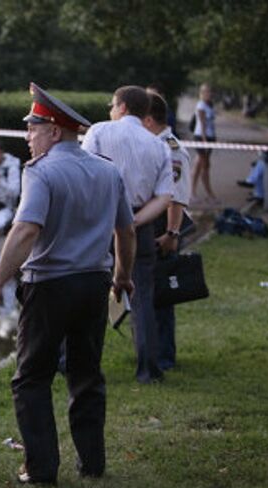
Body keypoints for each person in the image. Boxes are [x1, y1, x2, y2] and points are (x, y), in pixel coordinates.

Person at [0, 83, 136, 484]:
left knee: (32, 377)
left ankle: (41, 468)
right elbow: (127, 231)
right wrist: (122, 276)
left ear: (53, 130)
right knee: (87, 375)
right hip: (93, 285)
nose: (28, 138)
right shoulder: (107, 170)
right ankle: (93, 463)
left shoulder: (42, 171)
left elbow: (25, 230)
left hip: (49, 286)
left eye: (32, 129)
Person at [81, 85, 173, 384]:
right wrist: (132, 220)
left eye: (112, 104)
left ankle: (80, 363)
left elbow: (84, 172)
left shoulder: (98, 131)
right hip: (140, 224)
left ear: (121, 107)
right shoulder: (159, 145)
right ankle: (148, 369)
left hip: (99, 221)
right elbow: (164, 196)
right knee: (143, 296)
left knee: (89, 293)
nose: (110, 109)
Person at [143, 91, 191, 371]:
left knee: (161, 295)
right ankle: (151, 349)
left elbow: (176, 197)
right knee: (147, 293)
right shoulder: (153, 144)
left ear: (149, 120)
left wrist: (172, 235)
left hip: (164, 229)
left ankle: (163, 356)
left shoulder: (171, 149)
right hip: (154, 224)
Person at [191, 83, 219, 205]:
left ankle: (192, 193)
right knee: (205, 166)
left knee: (198, 165)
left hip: (210, 137)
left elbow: (211, 124)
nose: (209, 94)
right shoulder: (201, 105)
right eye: (206, 91)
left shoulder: (210, 105)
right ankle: (209, 194)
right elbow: (202, 125)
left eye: (210, 91)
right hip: (202, 138)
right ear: (201, 93)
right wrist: (204, 141)